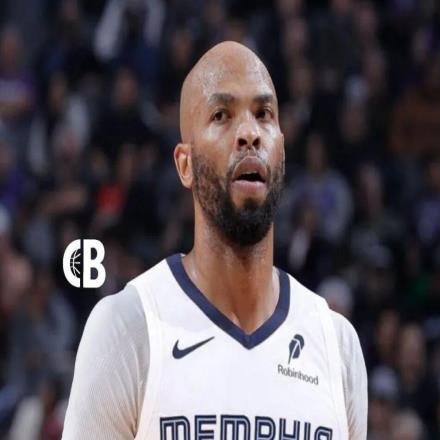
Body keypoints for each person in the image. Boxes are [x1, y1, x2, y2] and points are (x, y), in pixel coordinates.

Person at [61, 41, 367, 440]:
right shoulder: (127, 328)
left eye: (264, 114)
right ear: (184, 164)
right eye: (221, 115)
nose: (249, 133)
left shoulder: (337, 345)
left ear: (281, 151)